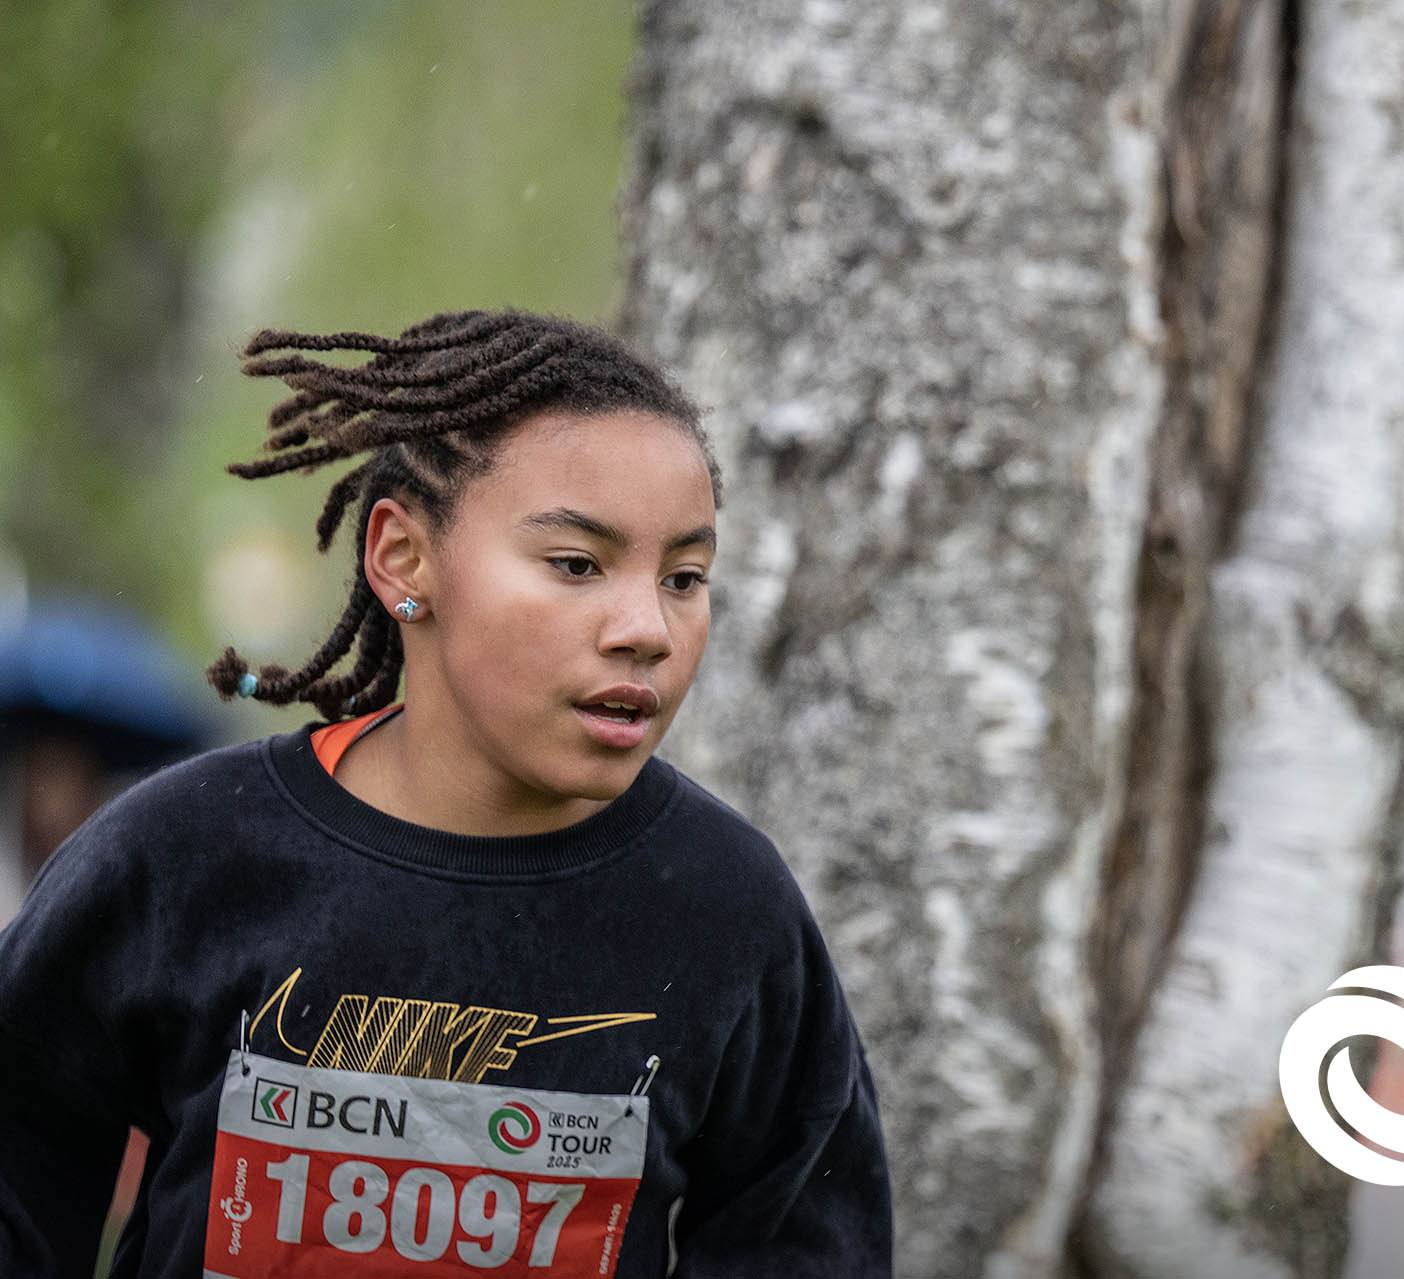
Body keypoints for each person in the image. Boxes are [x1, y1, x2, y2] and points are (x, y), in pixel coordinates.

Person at [0, 309, 894, 1277]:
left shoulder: (730, 909)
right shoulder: (179, 857)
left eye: (684, 576)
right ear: (403, 559)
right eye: (577, 564)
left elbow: (808, 1241)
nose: (647, 627)